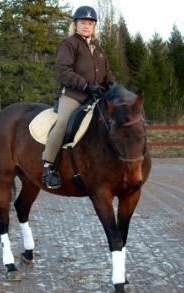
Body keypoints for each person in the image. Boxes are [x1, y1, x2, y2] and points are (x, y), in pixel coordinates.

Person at [41, 5, 115, 189]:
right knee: (63, 122)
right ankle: (48, 167)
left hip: (96, 96)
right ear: (75, 25)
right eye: (82, 22)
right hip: (75, 95)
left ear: (94, 26)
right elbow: (63, 72)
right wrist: (86, 85)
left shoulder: (97, 47)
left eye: (90, 23)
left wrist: (113, 86)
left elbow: (107, 73)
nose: (86, 26)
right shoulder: (69, 44)